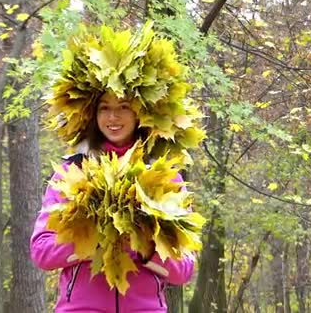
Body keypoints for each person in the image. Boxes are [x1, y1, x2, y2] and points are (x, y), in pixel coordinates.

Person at [30, 91, 195, 313]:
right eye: (104, 108)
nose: (112, 117)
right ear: (92, 115)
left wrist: (142, 245)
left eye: (124, 107)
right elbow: (42, 252)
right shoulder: (71, 173)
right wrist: (94, 237)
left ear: (140, 113)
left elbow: (183, 269)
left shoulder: (164, 176)